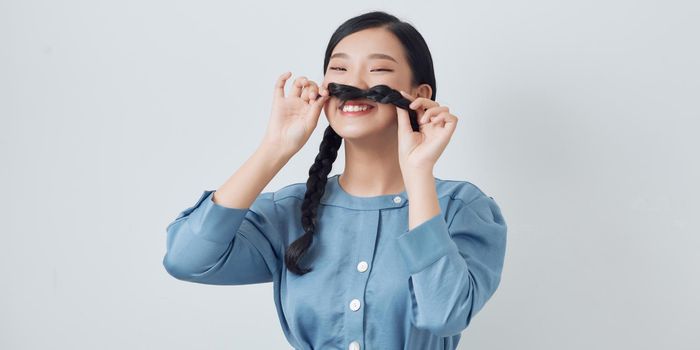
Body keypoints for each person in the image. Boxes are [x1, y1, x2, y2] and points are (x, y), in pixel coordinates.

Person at [163, 10, 507, 350]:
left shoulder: (462, 208)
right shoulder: (290, 212)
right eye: (340, 69)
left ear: (421, 94)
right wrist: (275, 148)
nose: (354, 85)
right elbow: (186, 260)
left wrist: (418, 173)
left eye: (378, 70)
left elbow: (443, 315)